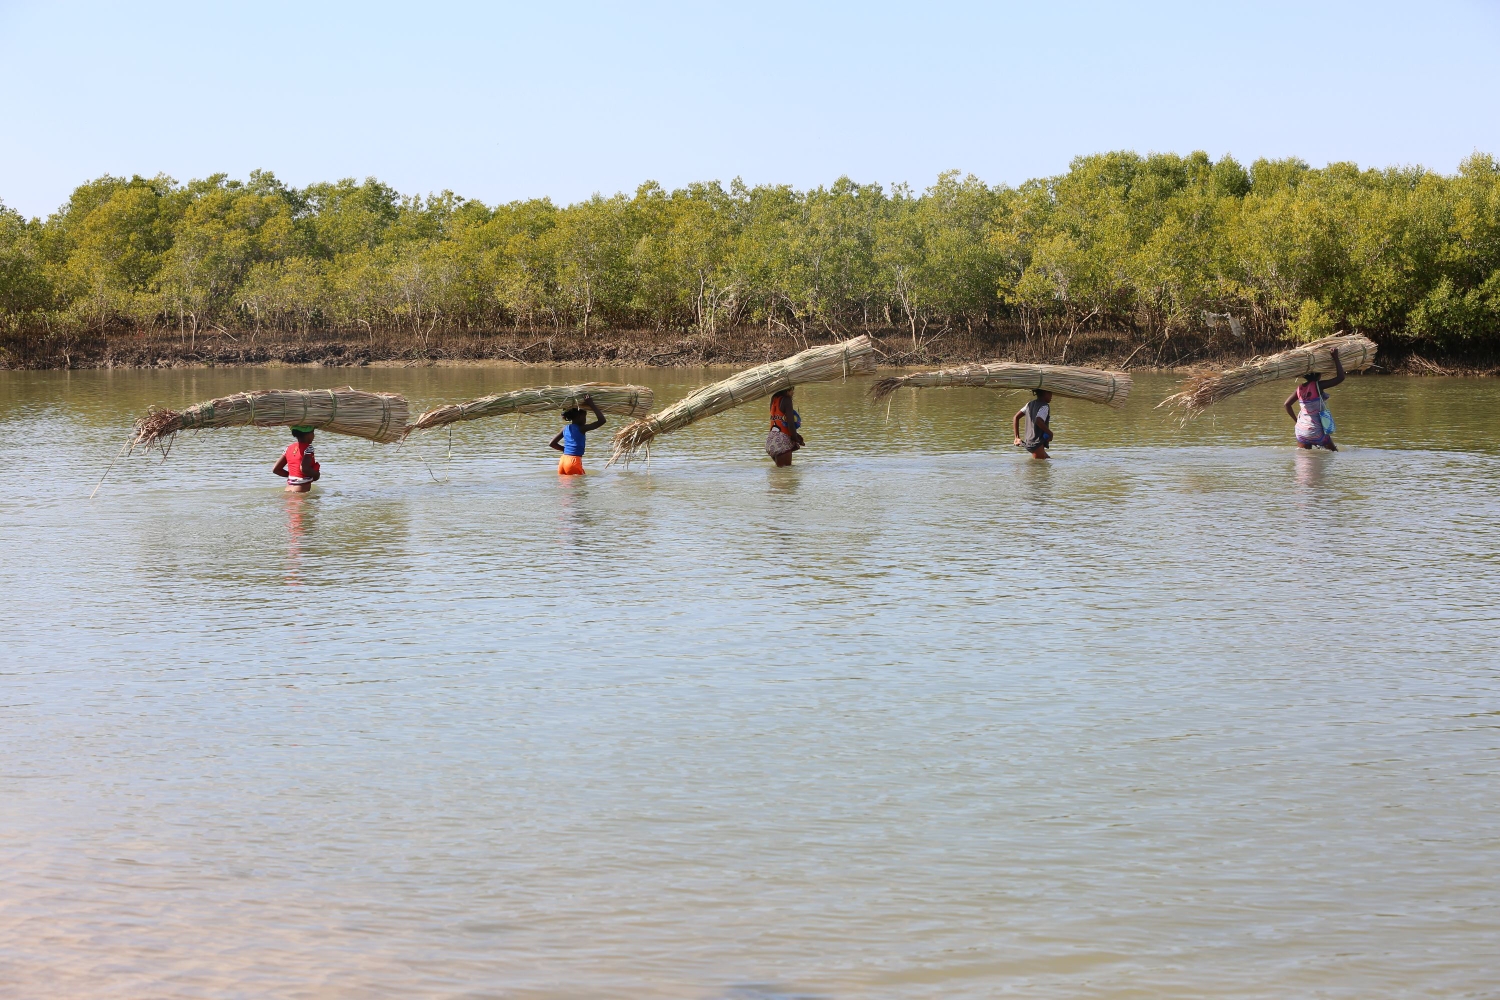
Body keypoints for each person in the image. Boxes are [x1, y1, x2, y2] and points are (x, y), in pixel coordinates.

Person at [1284, 348, 1346, 451]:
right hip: (1316, 431)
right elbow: (1341, 378)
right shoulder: (1318, 386)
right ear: (1318, 375)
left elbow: (1286, 404)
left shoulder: (1300, 388)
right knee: (1334, 453)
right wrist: (1336, 357)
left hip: (1301, 431)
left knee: (1305, 461)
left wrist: (1297, 421)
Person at [550, 395, 606, 475]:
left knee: (566, 486)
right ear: (580, 417)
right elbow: (602, 421)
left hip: (563, 460)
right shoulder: (581, 428)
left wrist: (566, 450)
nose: (585, 420)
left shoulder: (565, 428)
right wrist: (591, 404)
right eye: (585, 417)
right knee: (579, 486)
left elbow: (552, 443)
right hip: (573, 462)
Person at [273, 426, 321, 492]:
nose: (314, 436)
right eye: (313, 432)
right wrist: (316, 475)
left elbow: (276, 469)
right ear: (308, 434)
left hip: (288, 490)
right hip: (299, 492)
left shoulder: (288, 448)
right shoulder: (309, 448)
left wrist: (293, 476)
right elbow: (304, 469)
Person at [766, 388, 805, 467]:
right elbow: (790, 424)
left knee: (779, 474)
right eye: (792, 390)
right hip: (781, 441)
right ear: (786, 391)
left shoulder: (774, 399)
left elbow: (779, 422)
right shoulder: (787, 400)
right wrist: (796, 439)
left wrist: (796, 436)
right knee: (786, 472)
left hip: (771, 440)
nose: (793, 393)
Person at [1013, 389, 1053, 460]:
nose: (1051, 395)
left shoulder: (1029, 404)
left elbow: (1016, 417)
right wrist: (1050, 433)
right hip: (1036, 443)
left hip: (1029, 442)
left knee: (1048, 459)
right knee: (1038, 468)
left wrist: (1017, 437)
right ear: (1044, 393)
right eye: (1050, 392)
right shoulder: (1044, 406)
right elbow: (1038, 421)